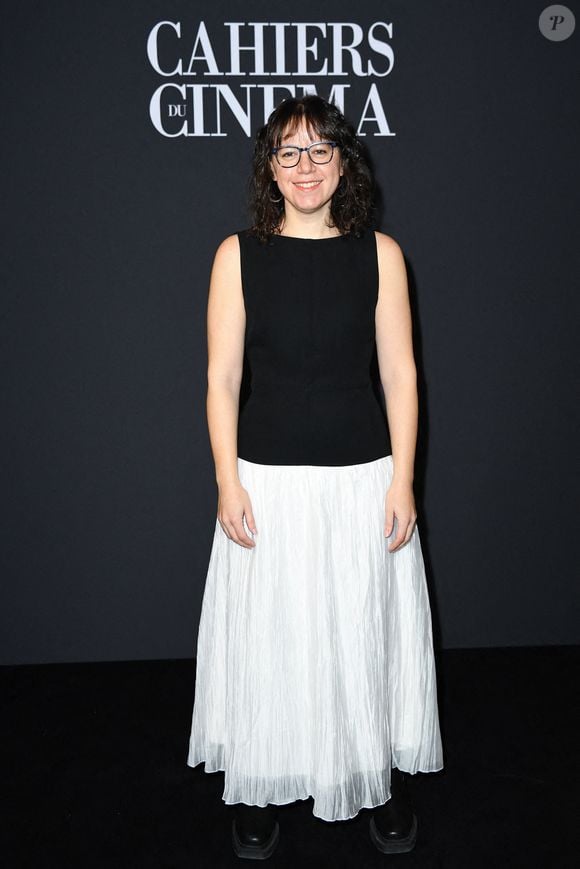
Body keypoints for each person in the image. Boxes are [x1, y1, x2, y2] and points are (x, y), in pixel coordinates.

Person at [187, 94, 444, 859]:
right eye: (289, 153)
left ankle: (373, 774)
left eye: (321, 151)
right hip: (266, 483)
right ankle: (263, 780)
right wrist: (227, 483)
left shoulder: (382, 254)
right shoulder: (237, 255)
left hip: (362, 479)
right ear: (269, 167)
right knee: (271, 639)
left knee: (361, 635)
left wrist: (403, 481)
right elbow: (221, 377)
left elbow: (401, 375)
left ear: (344, 162)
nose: (306, 167)